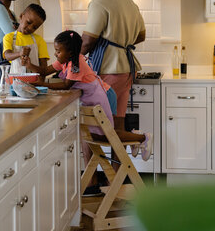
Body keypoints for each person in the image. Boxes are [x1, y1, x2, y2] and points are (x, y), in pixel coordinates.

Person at [23, 30, 152, 194]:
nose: (55, 54)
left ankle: (141, 137)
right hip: (90, 101)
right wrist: (29, 65)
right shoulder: (66, 60)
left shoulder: (76, 63)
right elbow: (45, 70)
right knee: (99, 136)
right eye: (55, 50)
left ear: (70, 52)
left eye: (58, 51)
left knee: (106, 135)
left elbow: (66, 85)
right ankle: (134, 138)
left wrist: (40, 87)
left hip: (98, 99)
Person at [82, 0, 146, 132]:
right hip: (127, 69)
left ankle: (92, 160)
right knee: (118, 126)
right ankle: (120, 157)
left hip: (109, 68)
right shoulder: (129, 1)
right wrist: (122, 42)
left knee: (91, 125)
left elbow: (88, 40)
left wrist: (72, 60)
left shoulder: (99, 2)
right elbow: (141, 36)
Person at [2, 4, 49, 74]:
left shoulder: (39, 40)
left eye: (35, 27)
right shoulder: (9, 37)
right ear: (21, 16)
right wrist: (20, 53)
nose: (30, 28)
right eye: (29, 22)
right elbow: (7, 56)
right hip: (15, 82)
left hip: (34, 83)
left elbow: (44, 70)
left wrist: (30, 66)